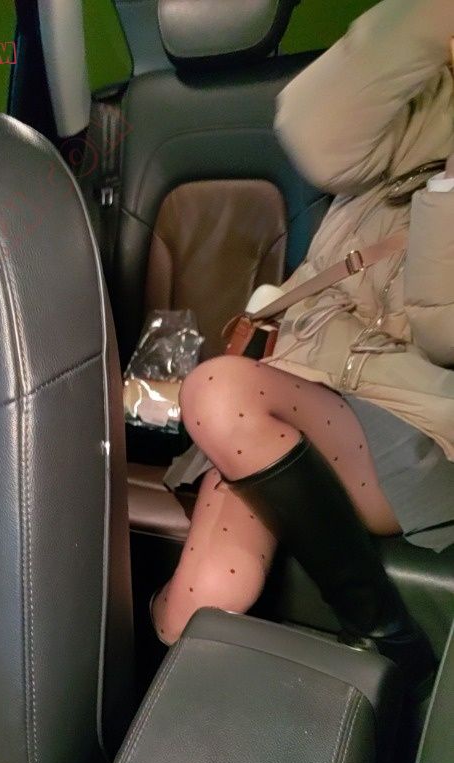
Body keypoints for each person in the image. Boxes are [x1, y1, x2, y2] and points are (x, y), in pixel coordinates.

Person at [152, 0, 454, 690]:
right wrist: (431, 17)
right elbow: (314, 133)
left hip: (417, 434)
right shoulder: (428, 99)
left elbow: (444, 333)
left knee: (217, 390)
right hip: (304, 397)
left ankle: (385, 635)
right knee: (196, 601)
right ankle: (152, 737)